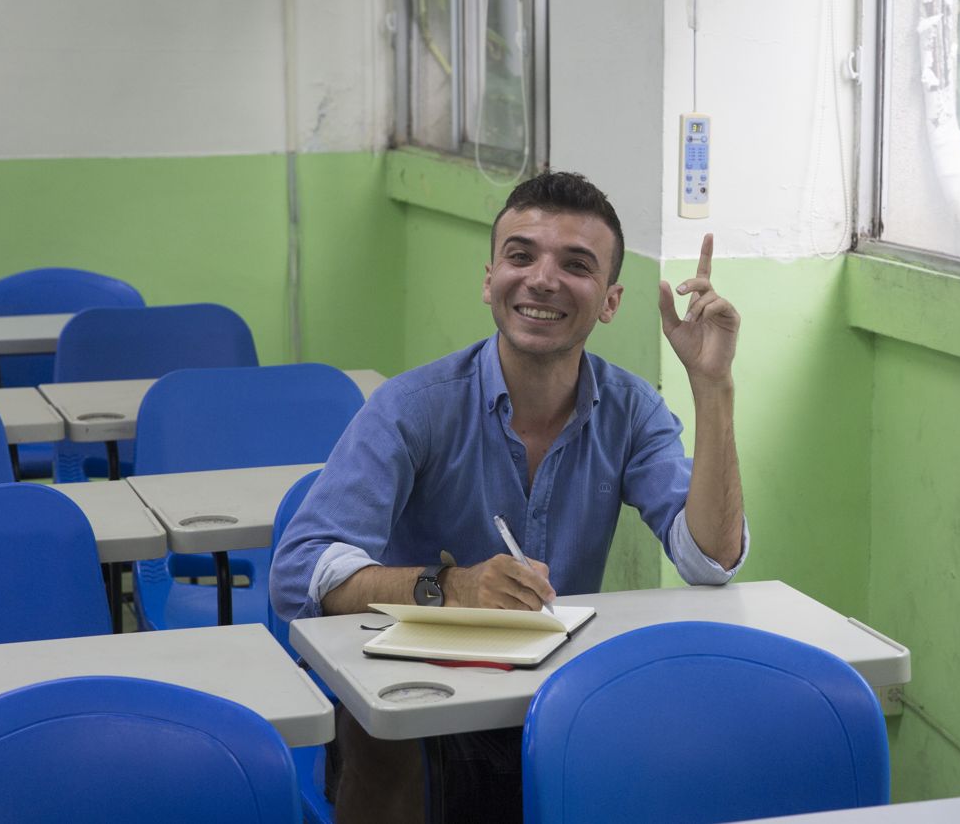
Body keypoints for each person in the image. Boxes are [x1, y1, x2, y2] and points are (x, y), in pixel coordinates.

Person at [270, 170, 746, 824]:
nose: (542, 279)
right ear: (490, 278)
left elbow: (711, 560)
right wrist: (451, 588)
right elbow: (301, 568)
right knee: (385, 739)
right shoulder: (411, 407)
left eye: (576, 265)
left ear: (610, 301)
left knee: (684, 741)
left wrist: (713, 387)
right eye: (521, 256)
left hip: (554, 691)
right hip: (418, 696)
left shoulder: (632, 410)